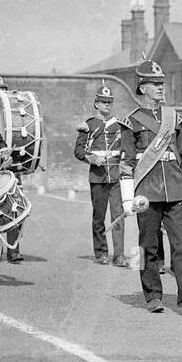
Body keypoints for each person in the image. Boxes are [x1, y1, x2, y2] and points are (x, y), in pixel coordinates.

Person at [120, 60, 182, 313]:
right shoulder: (131, 121)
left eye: (161, 84)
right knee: (147, 246)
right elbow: (126, 163)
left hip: (175, 188)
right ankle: (152, 295)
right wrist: (126, 199)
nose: (160, 88)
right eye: (155, 84)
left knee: (181, 244)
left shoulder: (174, 118)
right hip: (147, 190)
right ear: (142, 87)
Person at [74, 80, 128, 266]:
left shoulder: (120, 125)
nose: (107, 105)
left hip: (116, 176)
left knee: (118, 215)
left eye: (110, 102)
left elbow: (126, 149)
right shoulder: (89, 125)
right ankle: (101, 253)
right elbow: (78, 151)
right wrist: (91, 158)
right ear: (96, 103)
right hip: (97, 177)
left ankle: (119, 254)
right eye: (104, 102)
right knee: (99, 216)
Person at [0, 74, 26, 263]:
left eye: (3, 90)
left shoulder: (14, 114)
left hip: (11, 168)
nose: (0, 94)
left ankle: (13, 250)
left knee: (14, 208)